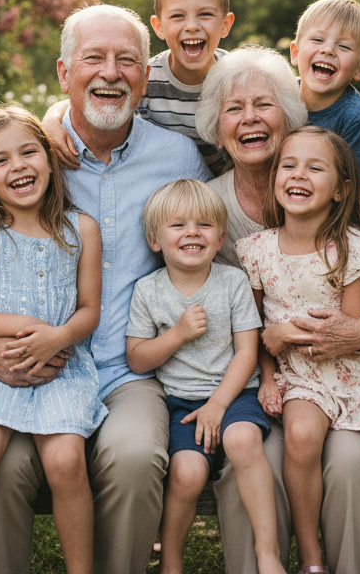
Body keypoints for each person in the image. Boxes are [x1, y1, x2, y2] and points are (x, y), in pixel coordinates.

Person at [0, 4, 213, 573]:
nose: (111, 72)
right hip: (20, 371)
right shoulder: (18, 156)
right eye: (93, 59)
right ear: (63, 73)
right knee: (0, 467)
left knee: (134, 458)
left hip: (126, 370)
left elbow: (211, 253)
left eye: (127, 59)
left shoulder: (177, 158)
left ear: (145, 75)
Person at [196, 45, 360, 574]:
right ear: (218, 128)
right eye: (234, 109)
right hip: (252, 377)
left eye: (264, 105)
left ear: (288, 116)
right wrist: (264, 348)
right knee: (254, 459)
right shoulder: (207, 207)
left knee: (350, 462)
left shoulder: (331, 193)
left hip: (341, 372)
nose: (250, 118)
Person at [238, 128, 360, 574]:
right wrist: (268, 377)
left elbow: (345, 332)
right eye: (288, 165)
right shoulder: (257, 252)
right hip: (303, 376)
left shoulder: (356, 251)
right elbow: (254, 331)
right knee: (303, 439)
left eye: (315, 167)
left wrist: (284, 331)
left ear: (342, 190)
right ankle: (311, 559)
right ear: (274, 177)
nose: (298, 175)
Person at [0, 104, 106, 574]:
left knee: (68, 462)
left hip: (60, 369)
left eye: (29, 152)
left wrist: (57, 337)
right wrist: (23, 326)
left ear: (49, 161)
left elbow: (89, 310)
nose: (19, 167)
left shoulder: (81, 230)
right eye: (1, 160)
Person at [126, 180, 283, 574]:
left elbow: (248, 351)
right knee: (187, 472)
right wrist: (176, 335)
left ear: (221, 238)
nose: (193, 232)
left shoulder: (232, 282)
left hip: (235, 394)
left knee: (243, 439)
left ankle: (267, 553)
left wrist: (218, 405)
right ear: (155, 240)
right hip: (181, 402)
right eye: (178, 225)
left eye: (205, 225)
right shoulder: (148, 290)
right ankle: (172, 561)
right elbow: (138, 359)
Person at [44, 0, 236, 174]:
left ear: (225, 24)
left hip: (231, 186)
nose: (192, 26)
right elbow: (94, 97)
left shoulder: (237, 77)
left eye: (205, 14)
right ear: (159, 26)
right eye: (177, 16)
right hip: (171, 183)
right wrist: (51, 120)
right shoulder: (148, 78)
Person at [290, 0, 360, 260]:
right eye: (318, 40)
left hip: (332, 232)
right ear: (295, 53)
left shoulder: (359, 117)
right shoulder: (277, 98)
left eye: (343, 46)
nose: (328, 50)